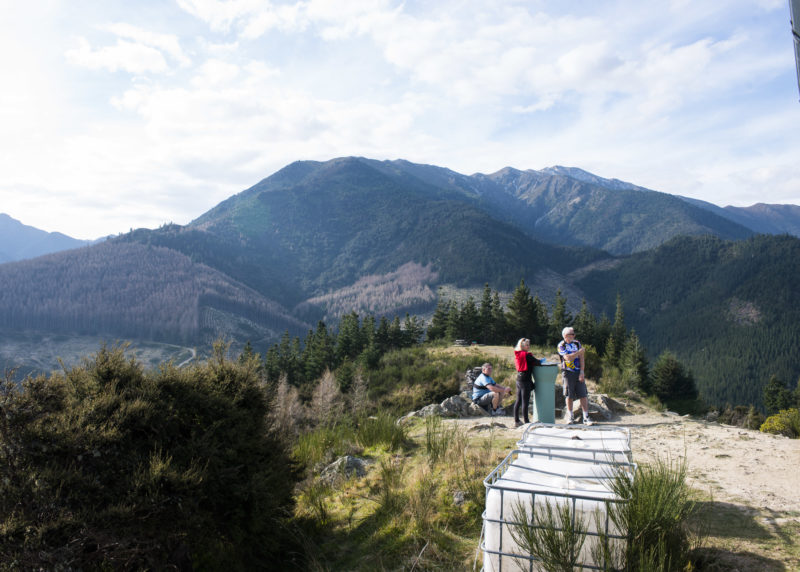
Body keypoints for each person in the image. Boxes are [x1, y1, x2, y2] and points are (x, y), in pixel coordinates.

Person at [557, 326, 593, 426]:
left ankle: (586, 417)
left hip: (578, 372)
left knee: (583, 394)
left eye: (574, 334)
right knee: (569, 394)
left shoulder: (577, 343)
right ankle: (570, 416)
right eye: (571, 334)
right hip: (568, 372)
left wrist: (582, 371)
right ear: (565, 336)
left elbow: (582, 357)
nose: (573, 336)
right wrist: (578, 352)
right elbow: (567, 358)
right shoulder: (561, 345)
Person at [513, 338, 538, 427]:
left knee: (518, 400)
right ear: (522, 346)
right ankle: (526, 421)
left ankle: (516, 420)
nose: (528, 346)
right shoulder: (527, 355)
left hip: (519, 378)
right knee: (525, 401)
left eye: (528, 345)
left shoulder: (519, 354)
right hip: (525, 379)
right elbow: (537, 362)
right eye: (527, 345)